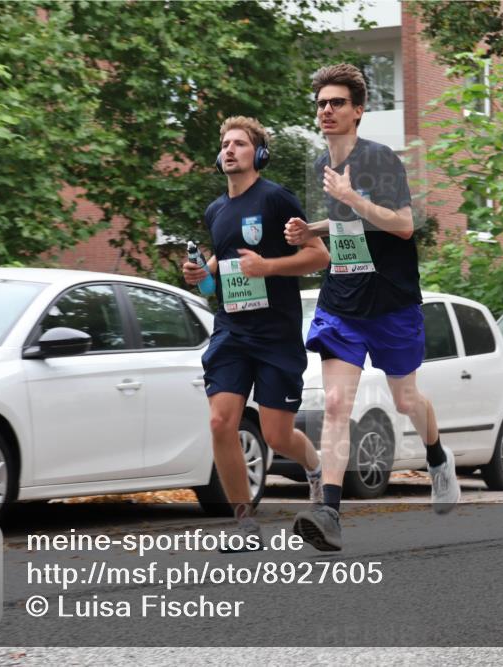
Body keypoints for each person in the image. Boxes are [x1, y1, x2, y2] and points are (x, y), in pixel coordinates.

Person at [285, 64, 460, 552]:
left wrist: (350, 197)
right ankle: (330, 512)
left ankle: (437, 457)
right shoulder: (322, 163)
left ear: (358, 110)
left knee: (406, 400)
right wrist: (310, 230)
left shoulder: (380, 159)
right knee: (336, 404)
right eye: (321, 103)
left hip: (390, 303)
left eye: (337, 102)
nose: (327, 110)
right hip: (342, 300)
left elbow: (402, 225)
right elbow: (347, 223)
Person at [183, 116, 329, 550]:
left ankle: (315, 470)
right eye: (225, 144)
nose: (229, 149)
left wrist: (268, 267)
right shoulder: (216, 210)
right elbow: (222, 265)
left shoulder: (276, 199)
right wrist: (201, 273)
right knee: (220, 422)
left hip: (275, 334)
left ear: (259, 154)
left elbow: (318, 255)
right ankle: (245, 523)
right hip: (231, 330)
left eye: (240, 144)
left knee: (276, 435)